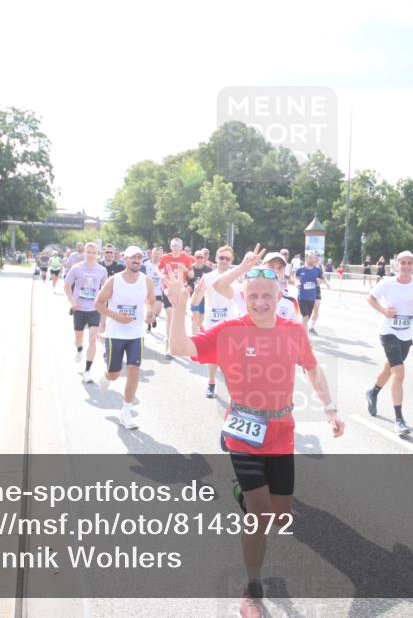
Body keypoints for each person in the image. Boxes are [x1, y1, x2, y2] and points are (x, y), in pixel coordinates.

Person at [163, 251, 344, 618]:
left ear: (280, 298)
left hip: (282, 430)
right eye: (253, 296)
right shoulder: (229, 331)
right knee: (260, 515)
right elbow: (179, 348)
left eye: (267, 295)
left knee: (281, 515)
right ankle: (252, 587)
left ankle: (242, 493)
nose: (260, 302)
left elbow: (311, 368)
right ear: (243, 298)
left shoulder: (293, 331)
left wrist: (329, 409)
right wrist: (179, 307)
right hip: (243, 430)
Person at [365, 250, 413, 435]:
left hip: (406, 335)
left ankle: (373, 392)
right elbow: (370, 298)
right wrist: (384, 311)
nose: (406, 266)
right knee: (399, 374)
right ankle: (399, 419)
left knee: (389, 369)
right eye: (403, 263)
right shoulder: (387, 283)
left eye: (410, 263)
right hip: (388, 332)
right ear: (396, 265)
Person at [94, 246, 157, 430]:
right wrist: (116, 317)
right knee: (114, 374)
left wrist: (151, 313)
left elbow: (151, 301)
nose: (136, 260)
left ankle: (126, 411)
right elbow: (98, 303)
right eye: (132, 257)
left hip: (136, 334)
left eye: (139, 257)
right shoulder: (114, 280)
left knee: (133, 370)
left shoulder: (146, 281)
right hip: (115, 334)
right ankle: (105, 377)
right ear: (125, 259)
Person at [191, 245, 241, 398]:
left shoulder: (236, 277)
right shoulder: (208, 277)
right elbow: (195, 302)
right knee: (213, 356)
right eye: (222, 257)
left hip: (229, 322)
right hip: (211, 322)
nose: (224, 261)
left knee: (229, 356)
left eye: (227, 258)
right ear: (216, 258)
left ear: (231, 260)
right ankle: (211, 381)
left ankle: (232, 389)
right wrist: (197, 292)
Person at [64, 243, 109, 382]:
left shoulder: (102, 270)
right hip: (79, 309)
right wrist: (72, 301)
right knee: (78, 340)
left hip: (94, 309)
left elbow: (105, 292)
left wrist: (104, 317)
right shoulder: (76, 268)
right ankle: (79, 349)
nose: (90, 255)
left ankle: (87, 371)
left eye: (93, 252)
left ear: (98, 254)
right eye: (88, 252)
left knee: (92, 339)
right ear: (84, 253)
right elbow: (66, 286)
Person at [157, 237, 196, 359]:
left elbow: (192, 274)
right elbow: (158, 268)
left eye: (178, 246)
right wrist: (161, 276)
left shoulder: (186, 258)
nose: (175, 248)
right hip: (168, 289)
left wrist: (185, 269)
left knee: (178, 317)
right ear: (170, 246)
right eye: (173, 245)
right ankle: (168, 347)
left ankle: (179, 343)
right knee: (169, 316)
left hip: (180, 290)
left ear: (182, 247)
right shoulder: (165, 257)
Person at [295, 251, 328, 333]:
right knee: (305, 318)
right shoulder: (300, 269)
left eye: (313, 258)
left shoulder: (317, 270)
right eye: (310, 258)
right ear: (306, 258)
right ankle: (304, 337)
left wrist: (321, 281)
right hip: (302, 297)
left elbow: (323, 280)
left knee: (306, 319)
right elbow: (296, 278)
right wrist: (297, 282)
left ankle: (299, 328)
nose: (312, 260)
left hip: (312, 298)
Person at [189, 250, 213, 335]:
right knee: (195, 316)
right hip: (194, 297)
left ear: (204, 259)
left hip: (205, 298)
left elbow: (212, 283)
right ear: (194, 258)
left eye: (201, 257)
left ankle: (198, 330)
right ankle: (194, 337)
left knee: (201, 318)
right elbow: (186, 283)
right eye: (197, 257)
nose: (199, 259)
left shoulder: (208, 269)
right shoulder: (190, 269)